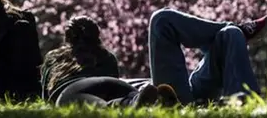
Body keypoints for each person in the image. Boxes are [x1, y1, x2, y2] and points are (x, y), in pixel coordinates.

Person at [42, 15, 179, 107]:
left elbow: (45, 96)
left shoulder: (54, 56)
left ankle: (133, 103)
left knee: (105, 108)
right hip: (117, 86)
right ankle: (148, 100)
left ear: (68, 37)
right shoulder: (106, 56)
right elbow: (112, 80)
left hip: (73, 89)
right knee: (128, 99)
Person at [146, 8, 267, 105]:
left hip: (190, 88)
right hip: (172, 98)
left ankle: (244, 104)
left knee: (231, 33)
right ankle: (235, 28)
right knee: (160, 20)